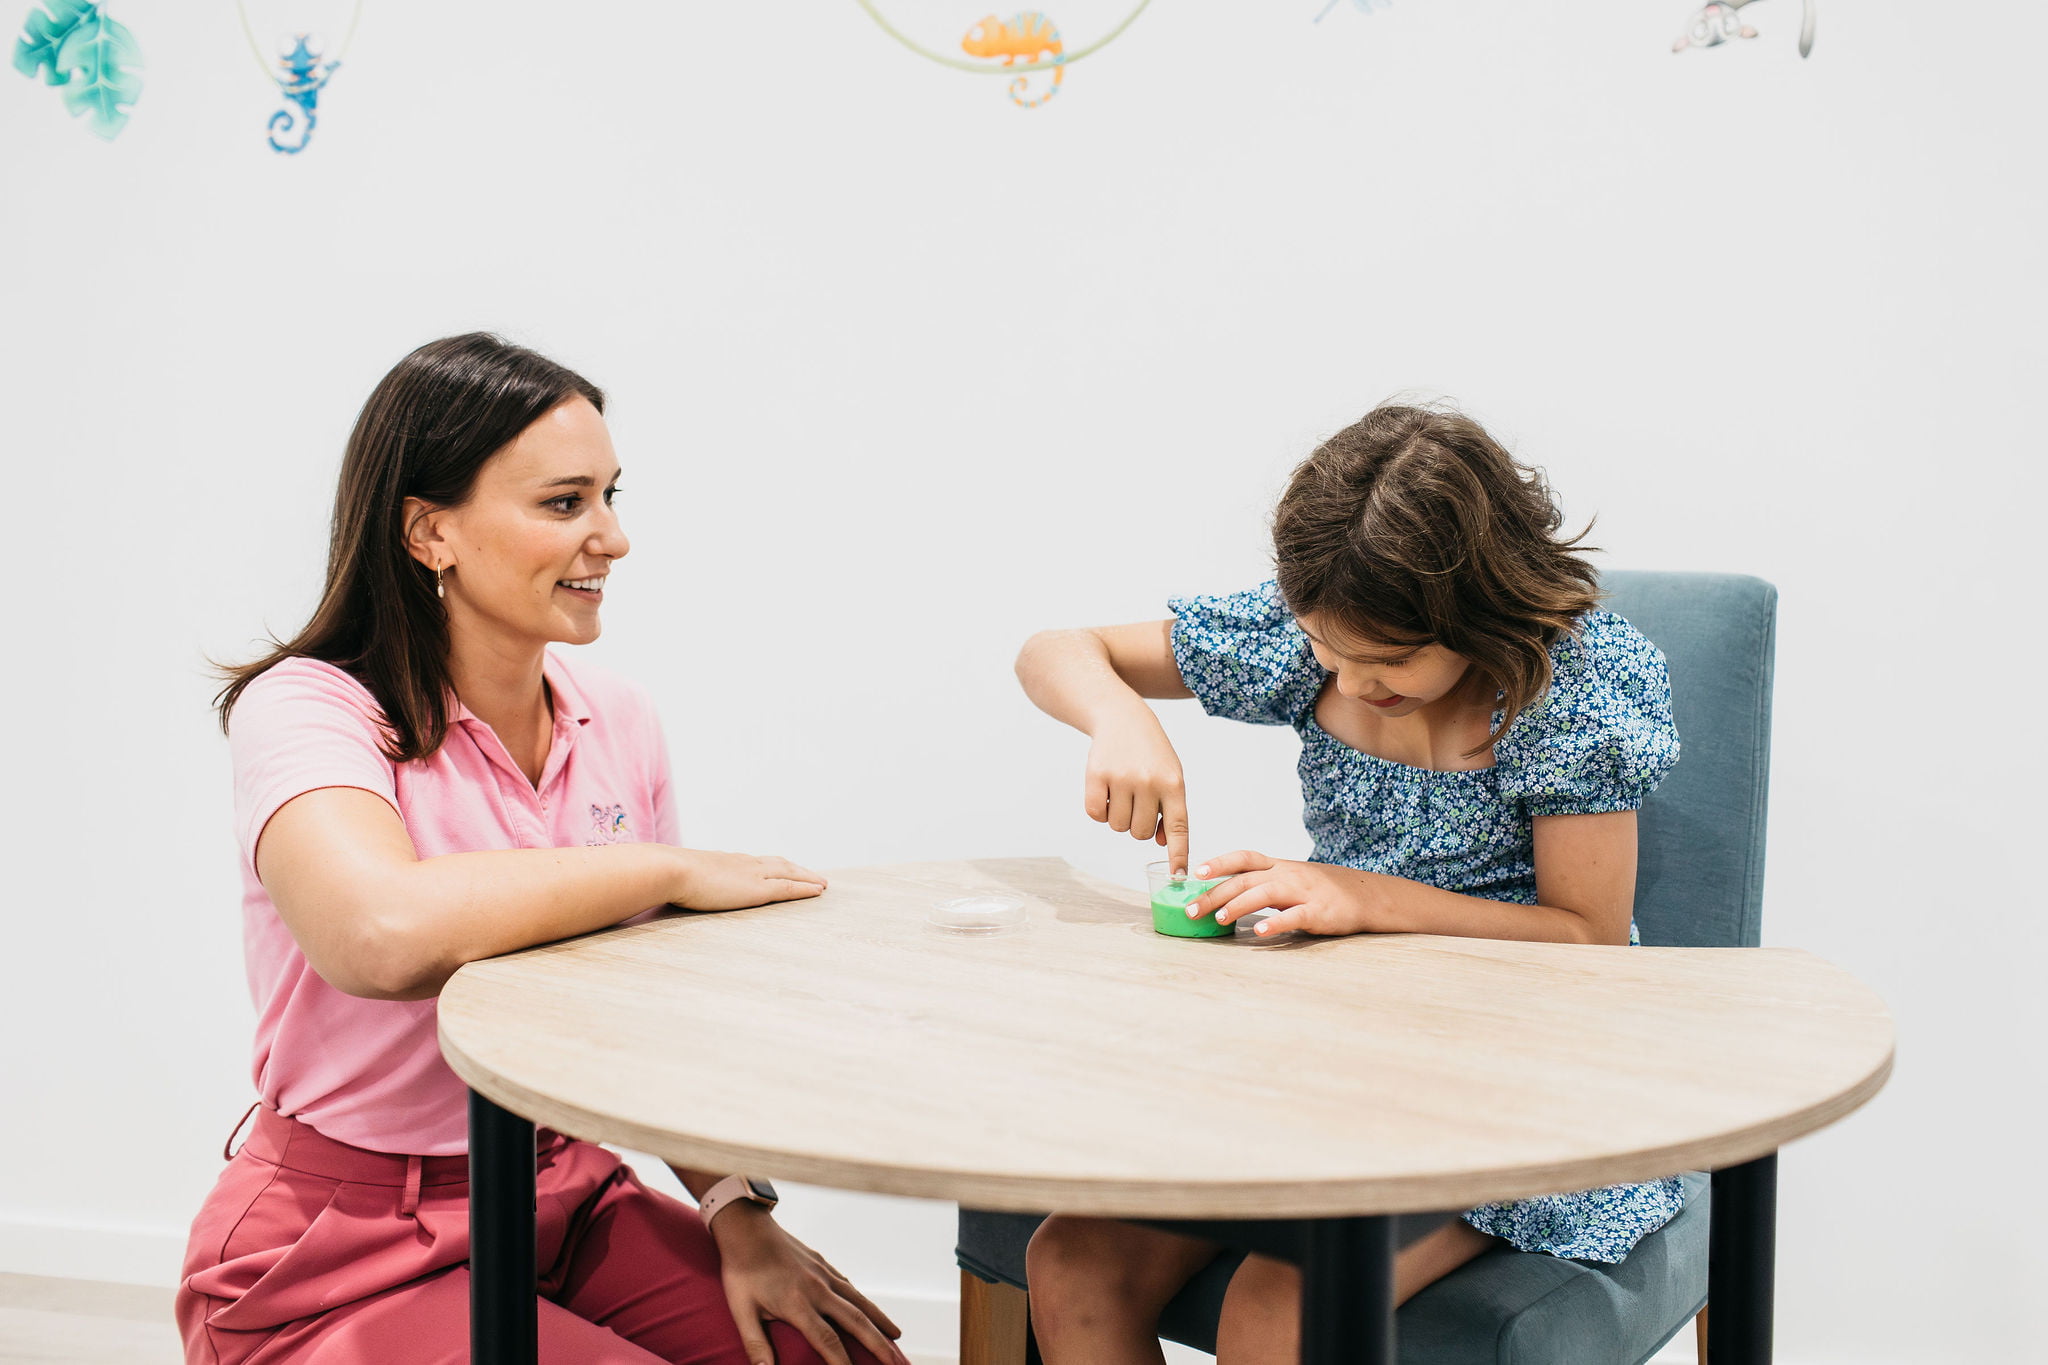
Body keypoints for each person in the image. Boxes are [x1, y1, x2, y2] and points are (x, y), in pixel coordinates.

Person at [177, 334, 906, 1365]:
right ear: (430, 532)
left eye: (611, 496)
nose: (611, 537)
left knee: (835, 1357)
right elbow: (377, 937)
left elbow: (644, 1024)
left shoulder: (619, 718)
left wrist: (738, 1214)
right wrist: (660, 872)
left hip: (567, 1193)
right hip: (342, 1247)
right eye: (564, 504)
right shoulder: (308, 709)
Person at [1012, 403, 1687, 1363]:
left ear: (1476, 610)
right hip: (1337, 1059)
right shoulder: (1312, 633)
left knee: (1279, 1313)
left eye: (1391, 661)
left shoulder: (1562, 687)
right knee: (1074, 1261)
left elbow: (1586, 937)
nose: (1354, 680)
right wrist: (1119, 715)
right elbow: (1054, 649)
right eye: (1332, 653)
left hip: (1525, 1078)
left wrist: (1361, 895)